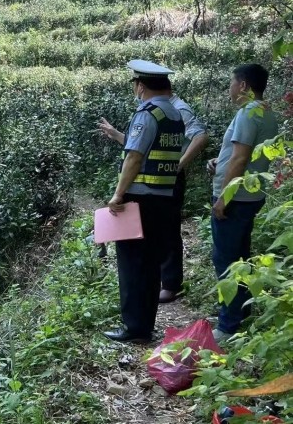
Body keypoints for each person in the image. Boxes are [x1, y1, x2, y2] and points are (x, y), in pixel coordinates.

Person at [98, 60, 208, 303]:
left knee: (164, 233)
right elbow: (143, 149)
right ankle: (156, 283)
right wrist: (116, 134)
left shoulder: (175, 109)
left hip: (160, 183)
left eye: (135, 84)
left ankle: (168, 283)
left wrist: (178, 165)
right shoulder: (160, 109)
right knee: (153, 236)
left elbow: (200, 136)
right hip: (157, 180)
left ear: (141, 86)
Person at [103, 60, 185, 344]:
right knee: (150, 264)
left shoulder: (147, 114)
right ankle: (144, 324)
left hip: (140, 200)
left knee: (132, 264)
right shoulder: (173, 113)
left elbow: (135, 157)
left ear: (140, 86)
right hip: (163, 198)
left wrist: (118, 194)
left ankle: (135, 328)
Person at [208, 64, 278, 343]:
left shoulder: (248, 112)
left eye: (232, 83)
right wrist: (219, 162)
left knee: (226, 261)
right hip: (250, 195)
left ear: (244, 85)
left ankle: (228, 325)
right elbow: (240, 156)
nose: (230, 89)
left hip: (236, 198)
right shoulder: (265, 111)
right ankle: (241, 312)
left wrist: (223, 198)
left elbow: (239, 158)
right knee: (240, 257)